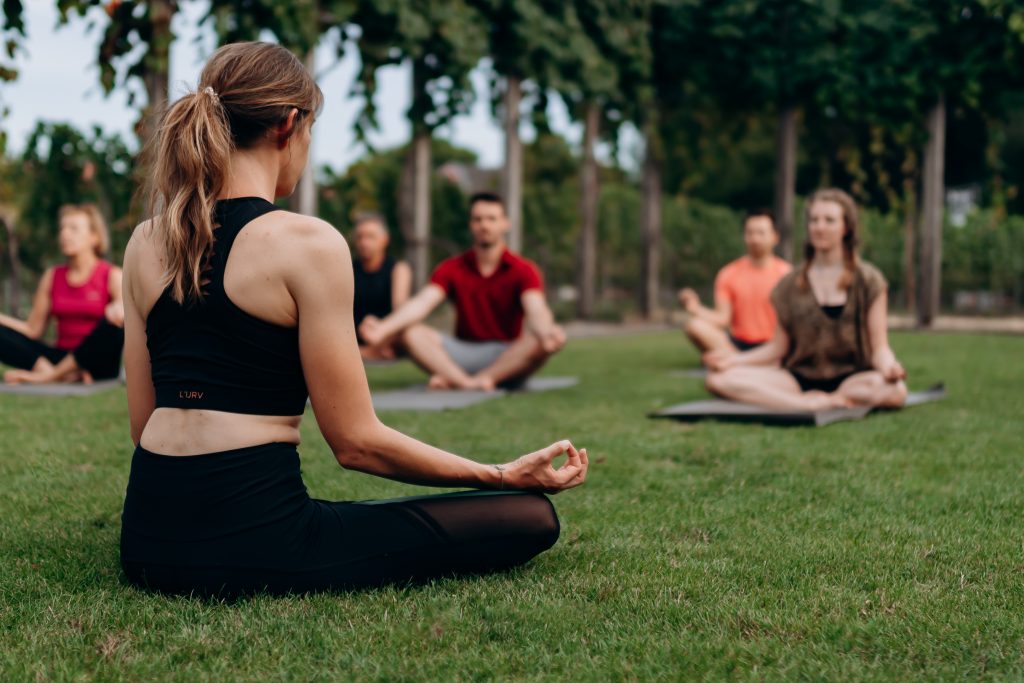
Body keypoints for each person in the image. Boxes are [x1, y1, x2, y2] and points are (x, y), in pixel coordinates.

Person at [119, 42, 587, 598]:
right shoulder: (308, 243)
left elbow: (143, 424)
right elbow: (357, 443)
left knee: (359, 517)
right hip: (261, 545)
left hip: (148, 542)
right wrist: (502, 475)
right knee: (528, 517)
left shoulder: (145, 242)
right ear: (289, 125)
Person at [704, 188, 907, 411]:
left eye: (829, 220)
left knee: (896, 391)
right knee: (718, 379)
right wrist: (732, 361)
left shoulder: (869, 281)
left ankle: (832, 398)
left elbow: (880, 348)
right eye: (814, 220)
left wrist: (890, 368)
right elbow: (777, 348)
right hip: (797, 380)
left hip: (852, 379)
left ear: (846, 227)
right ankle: (806, 404)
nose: (819, 227)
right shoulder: (788, 284)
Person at [359, 192, 565, 391]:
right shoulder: (452, 268)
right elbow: (422, 303)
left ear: (505, 223)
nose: (484, 225)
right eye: (478, 219)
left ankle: (473, 379)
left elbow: (536, 309)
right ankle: (467, 382)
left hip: (506, 356)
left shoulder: (524, 269)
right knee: (409, 331)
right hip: (461, 354)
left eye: (491, 219)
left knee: (539, 340)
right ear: (471, 224)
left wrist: (548, 332)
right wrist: (383, 328)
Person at [0, 204, 124, 384]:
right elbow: (33, 330)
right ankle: (60, 374)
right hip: (60, 356)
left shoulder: (112, 275)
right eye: (63, 228)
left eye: (73, 228)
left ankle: (50, 376)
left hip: (97, 361)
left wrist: (118, 307)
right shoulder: (52, 276)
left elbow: (122, 315)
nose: (65, 234)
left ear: (94, 237)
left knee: (117, 319)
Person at [678, 209, 791, 354]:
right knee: (695, 326)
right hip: (738, 344)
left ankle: (742, 364)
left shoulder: (787, 274)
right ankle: (740, 361)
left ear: (775, 237)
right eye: (750, 233)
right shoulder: (729, 273)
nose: (755, 239)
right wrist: (694, 307)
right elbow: (723, 319)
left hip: (774, 345)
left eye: (761, 233)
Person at [350, 213, 411, 360]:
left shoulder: (398, 269)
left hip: (387, 339)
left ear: (385, 240)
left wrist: (381, 336)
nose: (364, 242)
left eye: (370, 237)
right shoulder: (348, 269)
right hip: (353, 338)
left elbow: (400, 313)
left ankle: (367, 353)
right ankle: (365, 352)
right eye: (360, 237)